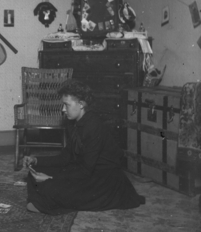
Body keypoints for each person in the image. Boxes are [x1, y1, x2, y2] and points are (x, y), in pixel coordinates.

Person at [23, 79, 145, 215]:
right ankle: (43, 199)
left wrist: (51, 179)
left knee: (49, 185)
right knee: (35, 170)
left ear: (81, 104)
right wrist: (36, 160)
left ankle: (43, 201)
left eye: (66, 105)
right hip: (84, 172)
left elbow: (86, 170)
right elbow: (65, 157)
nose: (63, 109)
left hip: (103, 181)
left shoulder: (93, 127)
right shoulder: (75, 123)